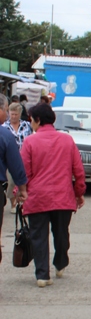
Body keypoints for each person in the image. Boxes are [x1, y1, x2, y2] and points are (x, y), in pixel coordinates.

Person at [21, 103, 86, 288]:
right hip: (62, 196)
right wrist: (79, 192)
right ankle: (60, 262)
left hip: (37, 196)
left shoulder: (30, 142)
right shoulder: (67, 140)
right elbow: (78, 170)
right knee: (61, 234)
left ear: (38, 120)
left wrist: (20, 192)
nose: (30, 122)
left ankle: (42, 274)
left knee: (38, 236)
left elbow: (24, 172)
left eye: (31, 119)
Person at [0, 95, 28, 254]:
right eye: (5, 110)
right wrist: (22, 188)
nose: (6, 114)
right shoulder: (5, 135)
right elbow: (16, 165)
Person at [2, 103, 33, 207]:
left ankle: (23, 199)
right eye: (12, 114)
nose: (14, 116)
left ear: (20, 114)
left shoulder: (27, 125)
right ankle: (13, 203)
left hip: (25, 157)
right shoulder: (4, 126)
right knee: (11, 182)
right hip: (9, 158)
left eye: (16, 114)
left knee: (24, 179)